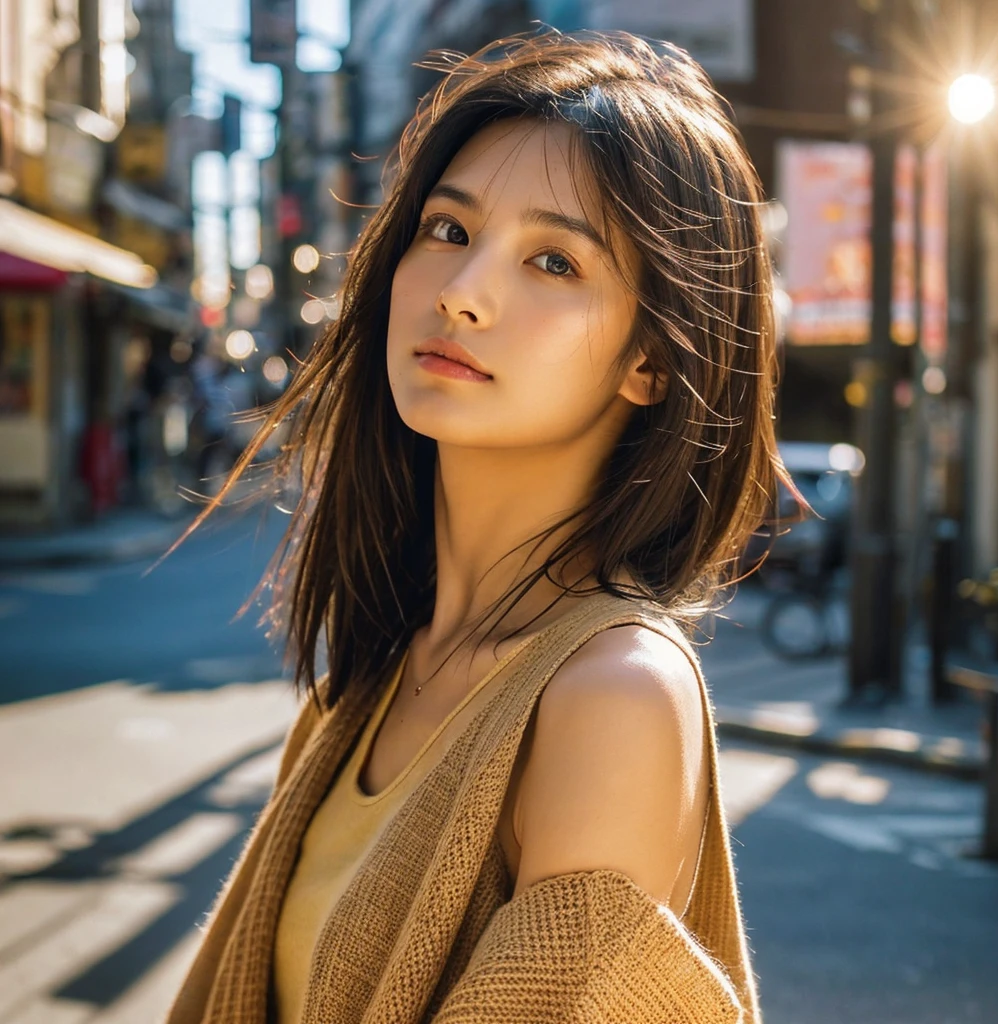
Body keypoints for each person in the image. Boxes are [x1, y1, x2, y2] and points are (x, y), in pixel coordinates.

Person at [166, 29, 794, 1024]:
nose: (460, 295)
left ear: (652, 360)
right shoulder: (373, 674)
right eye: (448, 232)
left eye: (553, 260)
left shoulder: (608, 697)